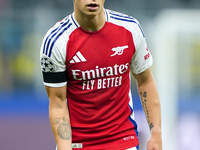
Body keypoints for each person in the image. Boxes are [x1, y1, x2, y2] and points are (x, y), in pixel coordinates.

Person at [40, 0, 162, 150]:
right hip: (79, 144)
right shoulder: (56, 42)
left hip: (123, 140)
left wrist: (156, 133)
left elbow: (145, 81)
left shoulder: (130, 29)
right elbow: (58, 103)